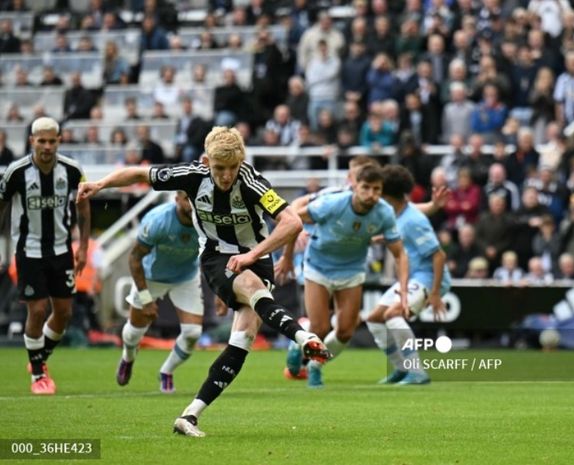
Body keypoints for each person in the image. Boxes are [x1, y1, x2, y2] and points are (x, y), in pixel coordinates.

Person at [77, 126, 330, 437]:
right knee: (252, 288)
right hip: (216, 258)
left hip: (256, 257)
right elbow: (140, 174)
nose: (226, 176)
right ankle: (304, 337)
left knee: (243, 340)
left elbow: (292, 222)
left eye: (232, 168)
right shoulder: (192, 175)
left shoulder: (252, 182)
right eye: (219, 168)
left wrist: (255, 255)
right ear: (206, 161)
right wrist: (101, 183)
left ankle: (190, 415)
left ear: (242, 161)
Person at [275, 164, 409, 388]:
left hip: (351, 271)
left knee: (346, 331)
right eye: (366, 188)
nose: (371, 194)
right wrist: (287, 257)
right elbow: (293, 220)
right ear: (355, 186)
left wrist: (403, 290)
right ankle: (297, 345)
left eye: (377, 189)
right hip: (318, 267)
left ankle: (315, 366)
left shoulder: (384, 212)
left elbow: (400, 254)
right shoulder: (333, 203)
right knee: (320, 328)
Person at [0, 117, 90, 395]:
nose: (47, 146)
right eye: (42, 140)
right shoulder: (16, 172)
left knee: (63, 314)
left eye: (52, 140)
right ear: (32, 141)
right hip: (28, 251)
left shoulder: (72, 170)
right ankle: (38, 374)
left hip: (62, 250)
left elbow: (84, 208)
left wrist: (83, 247)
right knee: (37, 310)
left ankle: (39, 356)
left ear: (59, 140)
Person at [364, 165, 450, 385]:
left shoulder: (414, 220)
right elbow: (399, 232)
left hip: (427, 278)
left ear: (387, 194)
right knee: (374, 318)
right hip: (413, 276)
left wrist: (435, 293)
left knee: (394, 314)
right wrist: (381, 239)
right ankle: (401, 368)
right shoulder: (397, 213)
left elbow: (438, 256)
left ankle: (417, 372)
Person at [116, 191, 203, 394]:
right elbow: (134, 259)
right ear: (177, 199)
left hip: (186, 277)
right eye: (187, 198)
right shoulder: (158, 220)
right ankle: (128, 358)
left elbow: (213, 255)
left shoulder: (207, 221)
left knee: (193, 333)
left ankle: (167, 371)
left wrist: (221, 292)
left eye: (195, 199)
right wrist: (146, 300)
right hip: (151, 276)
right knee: (134, 333)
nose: (192, 204)